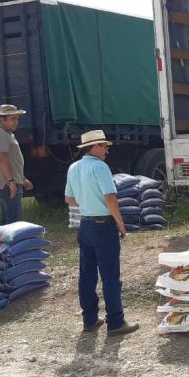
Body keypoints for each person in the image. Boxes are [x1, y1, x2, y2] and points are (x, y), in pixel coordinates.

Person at [65, 130, 139, 335]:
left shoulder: (74, 167)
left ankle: (89, 319)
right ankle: (115, 322)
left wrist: (87, 204)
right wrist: (121, 224)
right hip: (103, 226)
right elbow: (110, 198)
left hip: (85, 224)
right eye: (104, 146)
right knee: (110, 276)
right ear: (95, 147)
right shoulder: (100, 167)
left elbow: (69, 199)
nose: (107, 150)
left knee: (87, 275)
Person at [0, 104, 33, 225]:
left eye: (17, 119)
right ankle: (8, 243)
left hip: (7, 181)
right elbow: (1, 159)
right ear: (2, 119)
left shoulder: (5, 133)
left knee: (6, 218)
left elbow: (12, 160)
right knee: (13, 222)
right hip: (5, 183)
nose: (16, 122)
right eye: (13, 119)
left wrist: (22, 178)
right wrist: (12, 182)